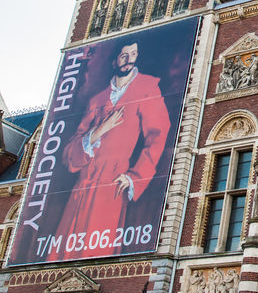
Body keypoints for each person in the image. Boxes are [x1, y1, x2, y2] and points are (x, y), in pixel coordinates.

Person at [50, 41, 170, 257]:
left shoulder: (147, 88)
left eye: (133, 53)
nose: (129, 59)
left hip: (111, 187)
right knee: (62, 257)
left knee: (97, 256)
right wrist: (99, 131)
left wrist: (136, 176)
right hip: (81, 190)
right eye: (124, 55)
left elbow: (158, 134)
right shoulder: (97, 99)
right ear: (115, 59)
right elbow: (69, 156)